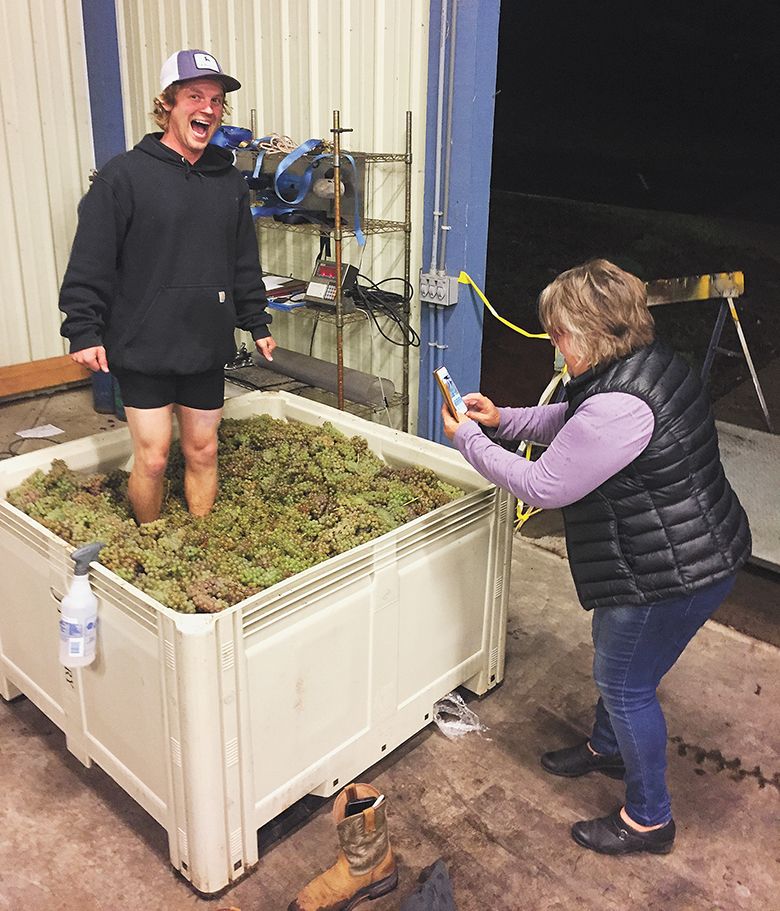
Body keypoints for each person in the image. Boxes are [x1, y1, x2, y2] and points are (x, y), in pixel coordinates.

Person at [441, 259, 750, 855]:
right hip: (677, 549)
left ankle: (649, 820)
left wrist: (470, 442)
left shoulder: (620, 405)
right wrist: (503, 420)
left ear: (595, 332)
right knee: (622, 667)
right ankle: (609, 749)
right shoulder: (645, 365)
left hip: (673, 570)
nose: (554, 345)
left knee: (625, 682)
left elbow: (546, 486)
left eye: (560, 333)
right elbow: (574, 419)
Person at [59, 49, 276, 523]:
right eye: (195, 96)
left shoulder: (229, 181)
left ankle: (198, 540)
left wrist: (256, 321)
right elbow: (92, 259)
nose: (208, 108)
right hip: (144, 342)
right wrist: (84, 328)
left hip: (204, 340)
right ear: (168, 104)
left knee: (202, 450)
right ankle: (151, 541)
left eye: (216, 100)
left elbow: (243, 259)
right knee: (154, 457)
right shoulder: (124, 176)